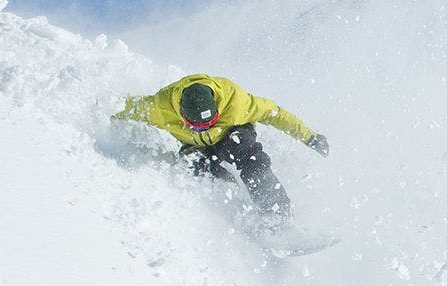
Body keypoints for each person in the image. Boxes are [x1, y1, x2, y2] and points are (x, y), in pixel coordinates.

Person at [113, 74, 329, 228]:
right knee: (200, 170)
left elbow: (275, 113)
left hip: (233, 133)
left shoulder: (236, 101)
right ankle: (240, 212)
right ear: (181, 113)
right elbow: (122, 107)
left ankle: (278, 216)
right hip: (197, 147)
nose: (204, 128)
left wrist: (309, 137)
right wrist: (96, 107)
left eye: (210, 122)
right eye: (196, 126)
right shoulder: (160, 109)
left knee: (246, 154)